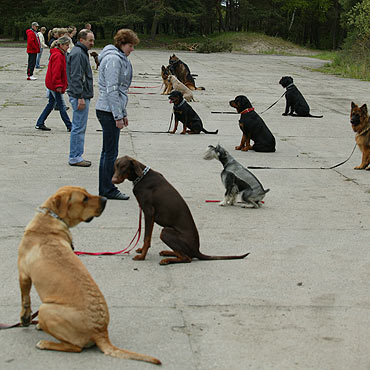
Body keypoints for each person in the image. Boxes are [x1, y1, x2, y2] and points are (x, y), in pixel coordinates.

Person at [95, 29, 139, 200]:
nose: (132, 49)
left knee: (109, 151)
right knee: (110, 153)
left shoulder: (120, 58)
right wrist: (118, 116)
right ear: (122, 44)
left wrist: (123, 112)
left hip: (110, 110)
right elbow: (112, 90)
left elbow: (121, 91)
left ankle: (106, 187)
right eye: (130, 45)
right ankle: (107, 189)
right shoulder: (114, 60)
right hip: (107, 111)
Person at [66, 29, 94, 167]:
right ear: (81, 40)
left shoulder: (80, 52)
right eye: (90, 40)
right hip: (79, 96)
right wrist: (80, 97)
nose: (92, 43)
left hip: (80, 94)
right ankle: (75, 156)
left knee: (79, 126)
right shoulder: (78, 54)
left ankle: (76, 155)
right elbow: (77, 77)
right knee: (78, 127)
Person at [35, 36, 72, 131]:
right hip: (54, 84)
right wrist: (59, 85)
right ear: (61, 45)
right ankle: (69, 126)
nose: (68, 47)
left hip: (52, 83)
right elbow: (56, 72)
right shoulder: (58, 56)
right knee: (61, 106)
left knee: (51, 104)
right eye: (67, 45)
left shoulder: (59, 54)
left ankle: (40, 122)